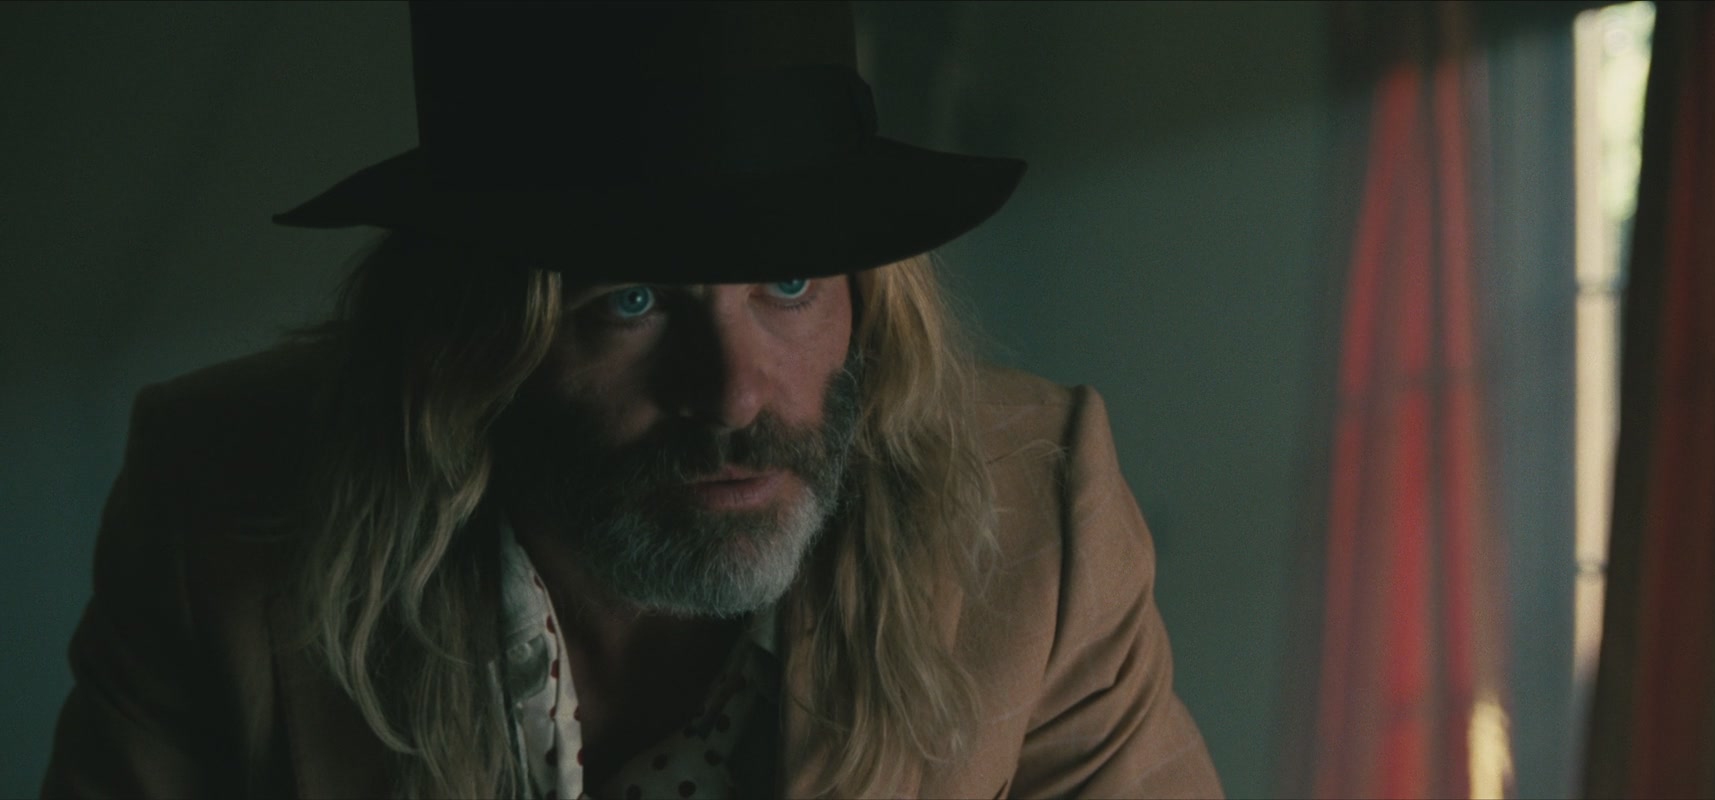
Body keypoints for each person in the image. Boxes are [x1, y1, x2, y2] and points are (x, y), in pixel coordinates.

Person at [40, 3, 1222, 798]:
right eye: (635, 300)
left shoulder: (1037, 521)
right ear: (470, 335)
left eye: (791, 284)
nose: (735, 392)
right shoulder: (219, 516)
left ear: (872, 299)